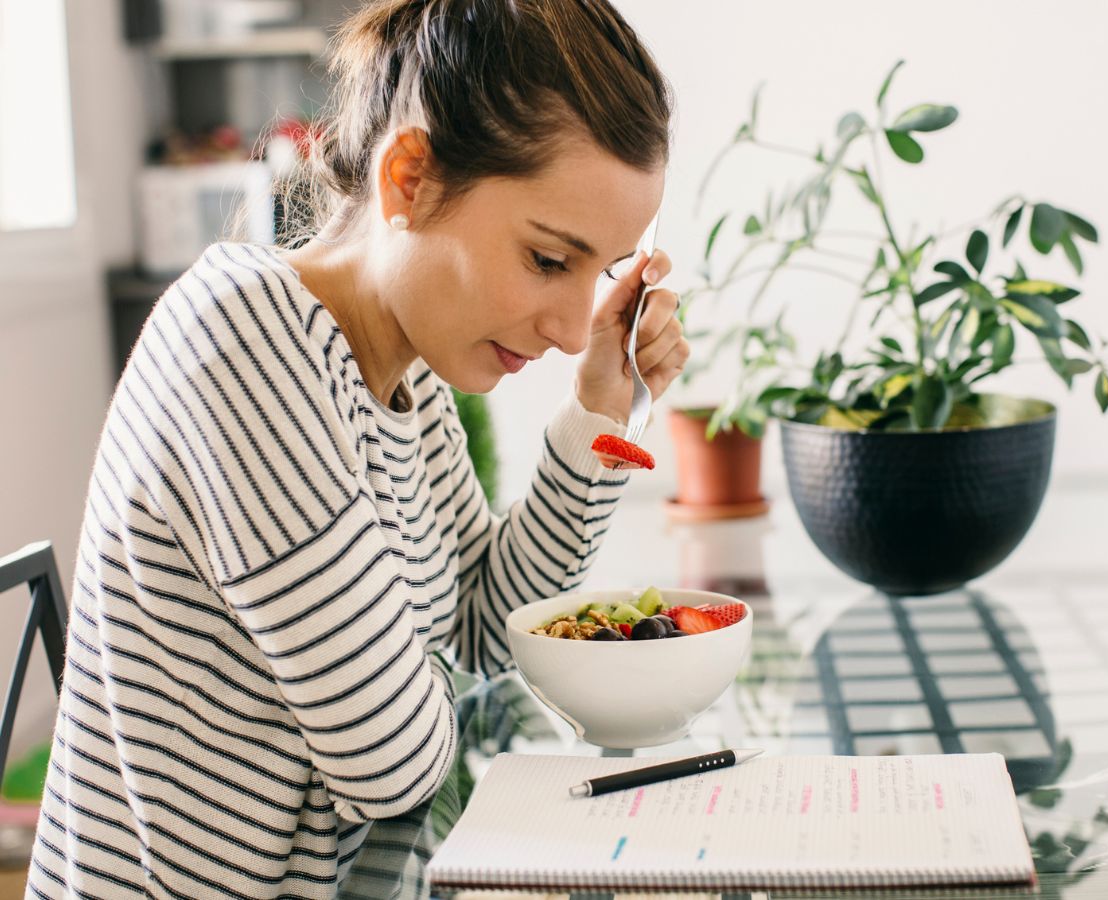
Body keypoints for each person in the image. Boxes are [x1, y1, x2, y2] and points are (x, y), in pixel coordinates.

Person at [27, 1, 684, 896]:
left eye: (599, 273)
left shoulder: (406, 385)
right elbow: (393, 763)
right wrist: (412, 686)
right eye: (545, 259)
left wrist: (599, 414)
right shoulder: (247, 344)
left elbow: (488, 633)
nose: (575, 330)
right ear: (409, 177)